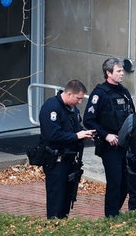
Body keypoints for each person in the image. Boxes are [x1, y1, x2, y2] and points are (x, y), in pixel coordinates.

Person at [83, 57, 135, 217]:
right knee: (115, 182)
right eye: (118, 71)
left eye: (122, 71)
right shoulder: (100, 94)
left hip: (126, 145)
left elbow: (132, 116)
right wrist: (106, 136)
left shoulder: (124, 92)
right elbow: (88, 120)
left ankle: (115, 212)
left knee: (126, 183)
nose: (122, 74)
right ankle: (111, 217)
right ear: (108, 73)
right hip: (110, 147)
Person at [38, 79, 95, 219]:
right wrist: (77, 136)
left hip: (70, 161)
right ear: (69, 94)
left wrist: (84, 134)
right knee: (56, 201)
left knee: (66, 200)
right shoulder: (51, 107)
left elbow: (75, 129)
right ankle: (53, 228)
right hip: (56, 161)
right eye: (78, 98)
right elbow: (52, 135)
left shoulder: (72, 109)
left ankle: (63, 227)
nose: (80, 102)